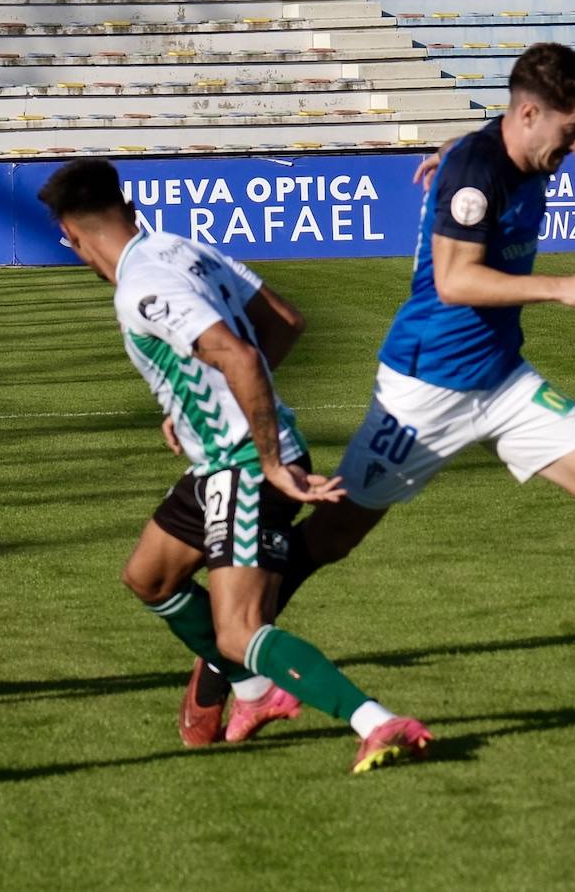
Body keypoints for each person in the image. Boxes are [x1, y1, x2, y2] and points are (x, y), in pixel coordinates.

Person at [183, 42, 575, 719]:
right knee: (331, 538)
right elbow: (454, 281)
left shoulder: (508, 152)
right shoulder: (478, 172)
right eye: (573, 130)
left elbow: (489, 151)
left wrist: (458, 150)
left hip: (502, 381)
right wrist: (563, 286)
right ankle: (226, 649)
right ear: (531, 113)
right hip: (425, 391)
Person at [37, 158, 431, 773]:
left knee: (237, 632)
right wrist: (191, 402)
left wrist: (267, 458)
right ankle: (252, 691)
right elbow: (284, 322)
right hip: (220, 459)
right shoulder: (180, 247)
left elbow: (242, 356)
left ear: (71, 236)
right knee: (150, 577)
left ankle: (376, 722)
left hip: (243, 464)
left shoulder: (141, 287)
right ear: (129, 210)